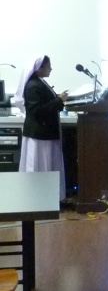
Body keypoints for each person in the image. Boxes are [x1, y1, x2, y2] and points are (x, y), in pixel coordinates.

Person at [16, 55, 69, 199]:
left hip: (45, 133)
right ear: (39, 68)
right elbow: (37, 110)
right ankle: (38, 198)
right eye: (48, 66)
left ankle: (47, 198)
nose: (51, 69)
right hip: (39, 136)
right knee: (39, 166)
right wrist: (59, 100)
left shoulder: (40, 82)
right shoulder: (33, 85)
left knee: (47, 165)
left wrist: (58, 99)